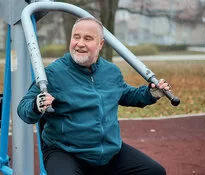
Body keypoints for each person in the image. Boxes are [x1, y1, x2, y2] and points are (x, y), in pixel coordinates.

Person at [18, 17, 170, 175]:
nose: (80, 43)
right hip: (67, 152)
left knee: (155, 172)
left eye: (88, 38)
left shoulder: (110, 71)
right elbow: (23, 108)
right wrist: (36, 105)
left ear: (100, 44)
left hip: (108, 152)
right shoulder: (53, 74)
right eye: (76, 37)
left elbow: (127, 94)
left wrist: (150, 93)